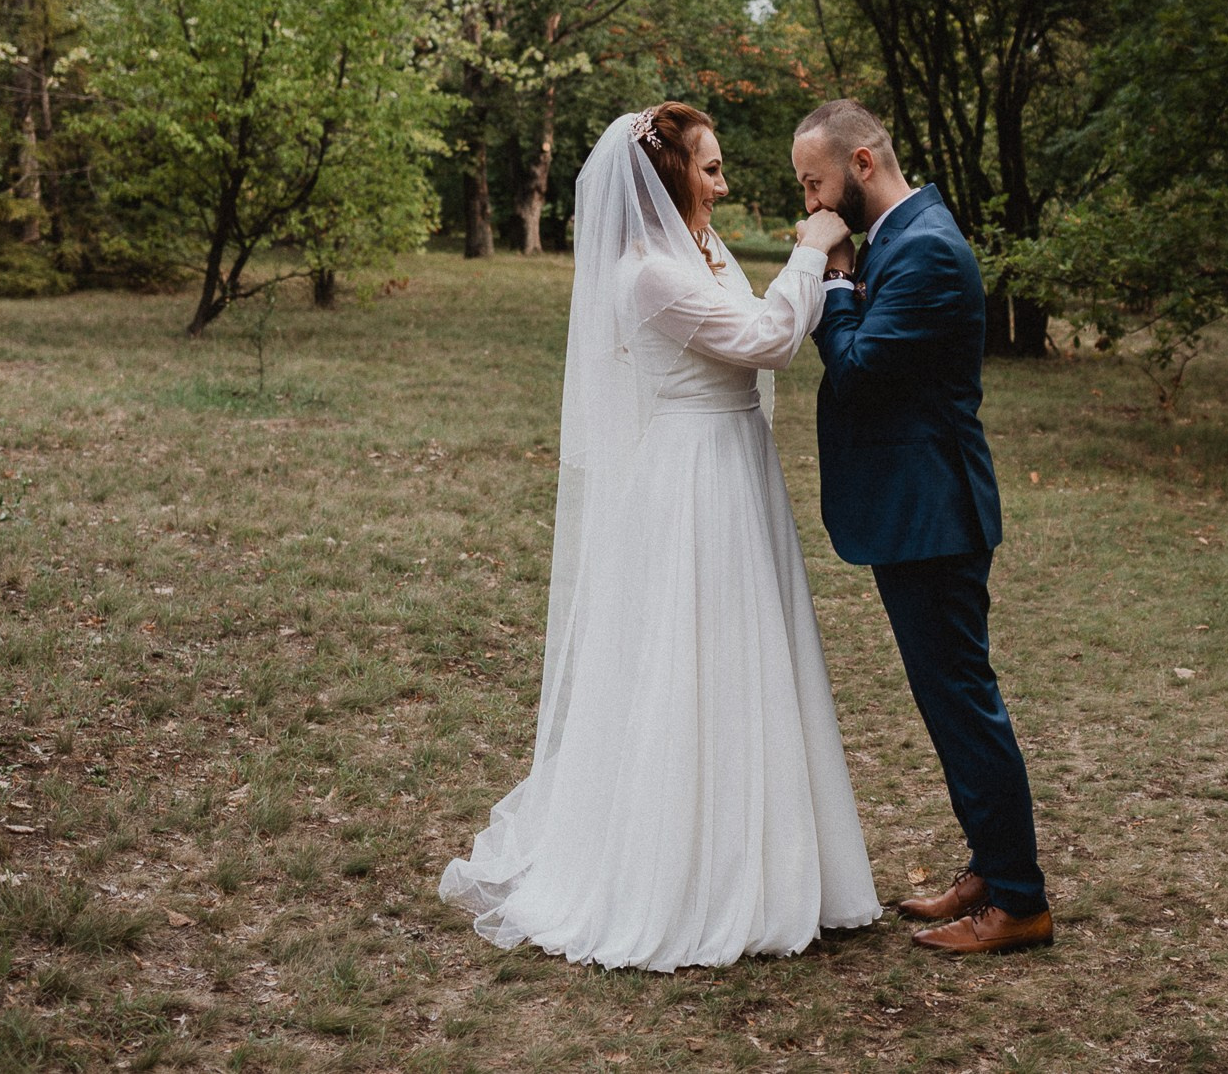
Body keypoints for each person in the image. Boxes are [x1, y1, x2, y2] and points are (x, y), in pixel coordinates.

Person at [437, 102, 883, 970]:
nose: (722, 182)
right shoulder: (645, 273)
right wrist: (809, 250)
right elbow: (765, 338)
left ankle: (771, 856)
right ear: (669, 174)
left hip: (736, 464)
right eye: (710, 168)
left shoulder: (700, 252)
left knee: (751, 656)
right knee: (696, 656)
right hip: (692, 478)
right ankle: (687, 876)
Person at [792, 98, 1053, 955]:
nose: (811, 203)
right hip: (916, 513)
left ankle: (1019, 900)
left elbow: (861, 370)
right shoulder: (904, 239)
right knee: (947, 703)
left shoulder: (929, 251)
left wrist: (831, 277)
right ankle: (990, 862)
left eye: (815, 182)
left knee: (964, 703)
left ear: (862, 164)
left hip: (934, 517)